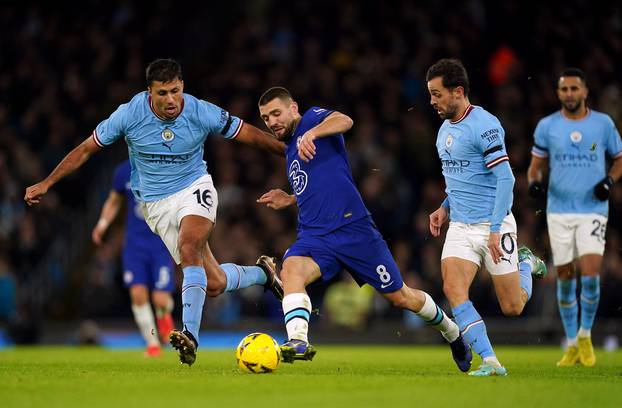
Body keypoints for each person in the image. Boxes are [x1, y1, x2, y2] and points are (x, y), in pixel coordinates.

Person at [24, 59, 284, 366]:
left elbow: (247, 133)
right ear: (150, 92)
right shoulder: (129, 114)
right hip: (155, 205)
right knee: (212, 283)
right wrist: (47, 182)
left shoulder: (200, 111)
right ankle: (262, 273)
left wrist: (286, 150)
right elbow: (85, 149)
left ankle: (190, 335)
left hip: (194, 187)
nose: (171, 100)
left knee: (190, 248)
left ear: (183, 87)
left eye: (175, 91)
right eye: (163, 93)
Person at [256, 86, 472, 373]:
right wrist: (292, 197)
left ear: (293, 108)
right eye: (265, 118)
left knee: (401, 297)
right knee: (291, 269)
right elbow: (322, 181)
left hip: (353, 229)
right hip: (315, 235)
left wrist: (314, 132)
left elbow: (345, 120)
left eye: (276, 113)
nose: (272, 122)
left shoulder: (312, 120)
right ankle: (298, 341)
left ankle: (451, 331)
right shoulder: (290, 150)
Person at [425, 59, 547, 377]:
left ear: (458, 92)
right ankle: (491, 361)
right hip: (461, 227)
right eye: (431, 94)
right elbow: (462, 181)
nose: (432, 102)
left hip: (493, 224)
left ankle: (526, 264)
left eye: (437, 94)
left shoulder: (485, 125)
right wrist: (444, 207)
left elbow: (505, 179)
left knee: (513, 307)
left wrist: (494, 229)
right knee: (453, 288)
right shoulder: (443, 131)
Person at [527, 68, 622, 367]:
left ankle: (585, 334)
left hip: (592, 209)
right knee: (565, 278)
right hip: (559, 212)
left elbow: (618, 159)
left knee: (591, 274)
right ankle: (571, 343)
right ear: (558, 94)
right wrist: (534, 183)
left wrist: (610, 181)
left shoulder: (602, 125)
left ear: (584, 92)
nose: (569, 94)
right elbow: (535, 167)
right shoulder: (547, 127)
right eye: (564, 89)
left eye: (574, 88)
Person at [91, 160, 175, 357]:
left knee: (161, 299)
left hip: (160, 243)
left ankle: (164, 317)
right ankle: (152, 342)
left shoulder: (165, 166)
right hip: (135, 246)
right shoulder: (123, 171)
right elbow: (113, 201)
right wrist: (102, 224)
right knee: (138, 294)